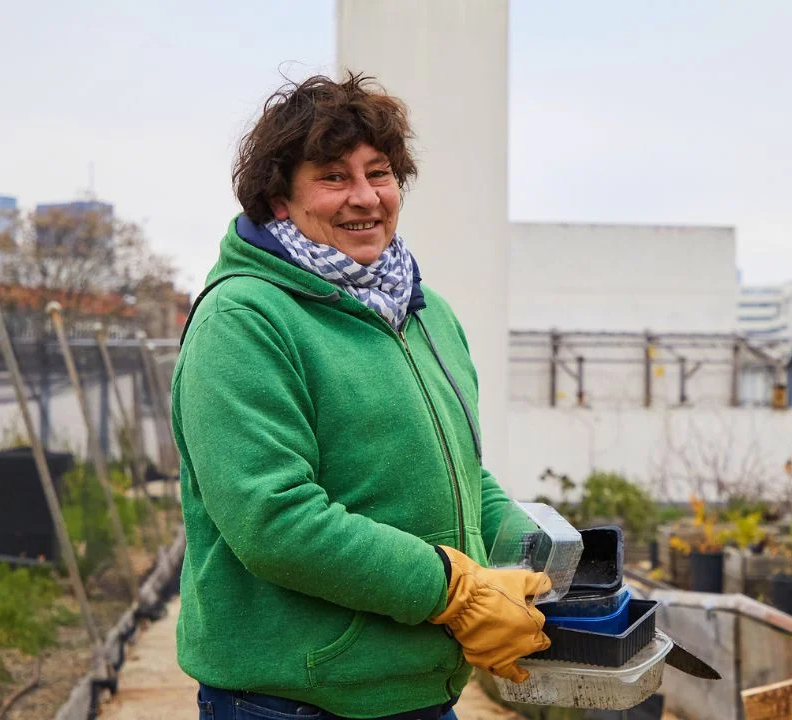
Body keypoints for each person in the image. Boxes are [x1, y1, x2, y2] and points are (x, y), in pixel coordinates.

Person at [172, 72, 551, 720]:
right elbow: (275, 520)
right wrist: (453, 588)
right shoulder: (244, 322)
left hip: (418, 690)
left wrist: (537, 557)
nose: (365, 197)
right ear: (279, 200)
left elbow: (460, 471)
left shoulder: (426, 315)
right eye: (334, 177)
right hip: (295, 699)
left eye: (378, 173)